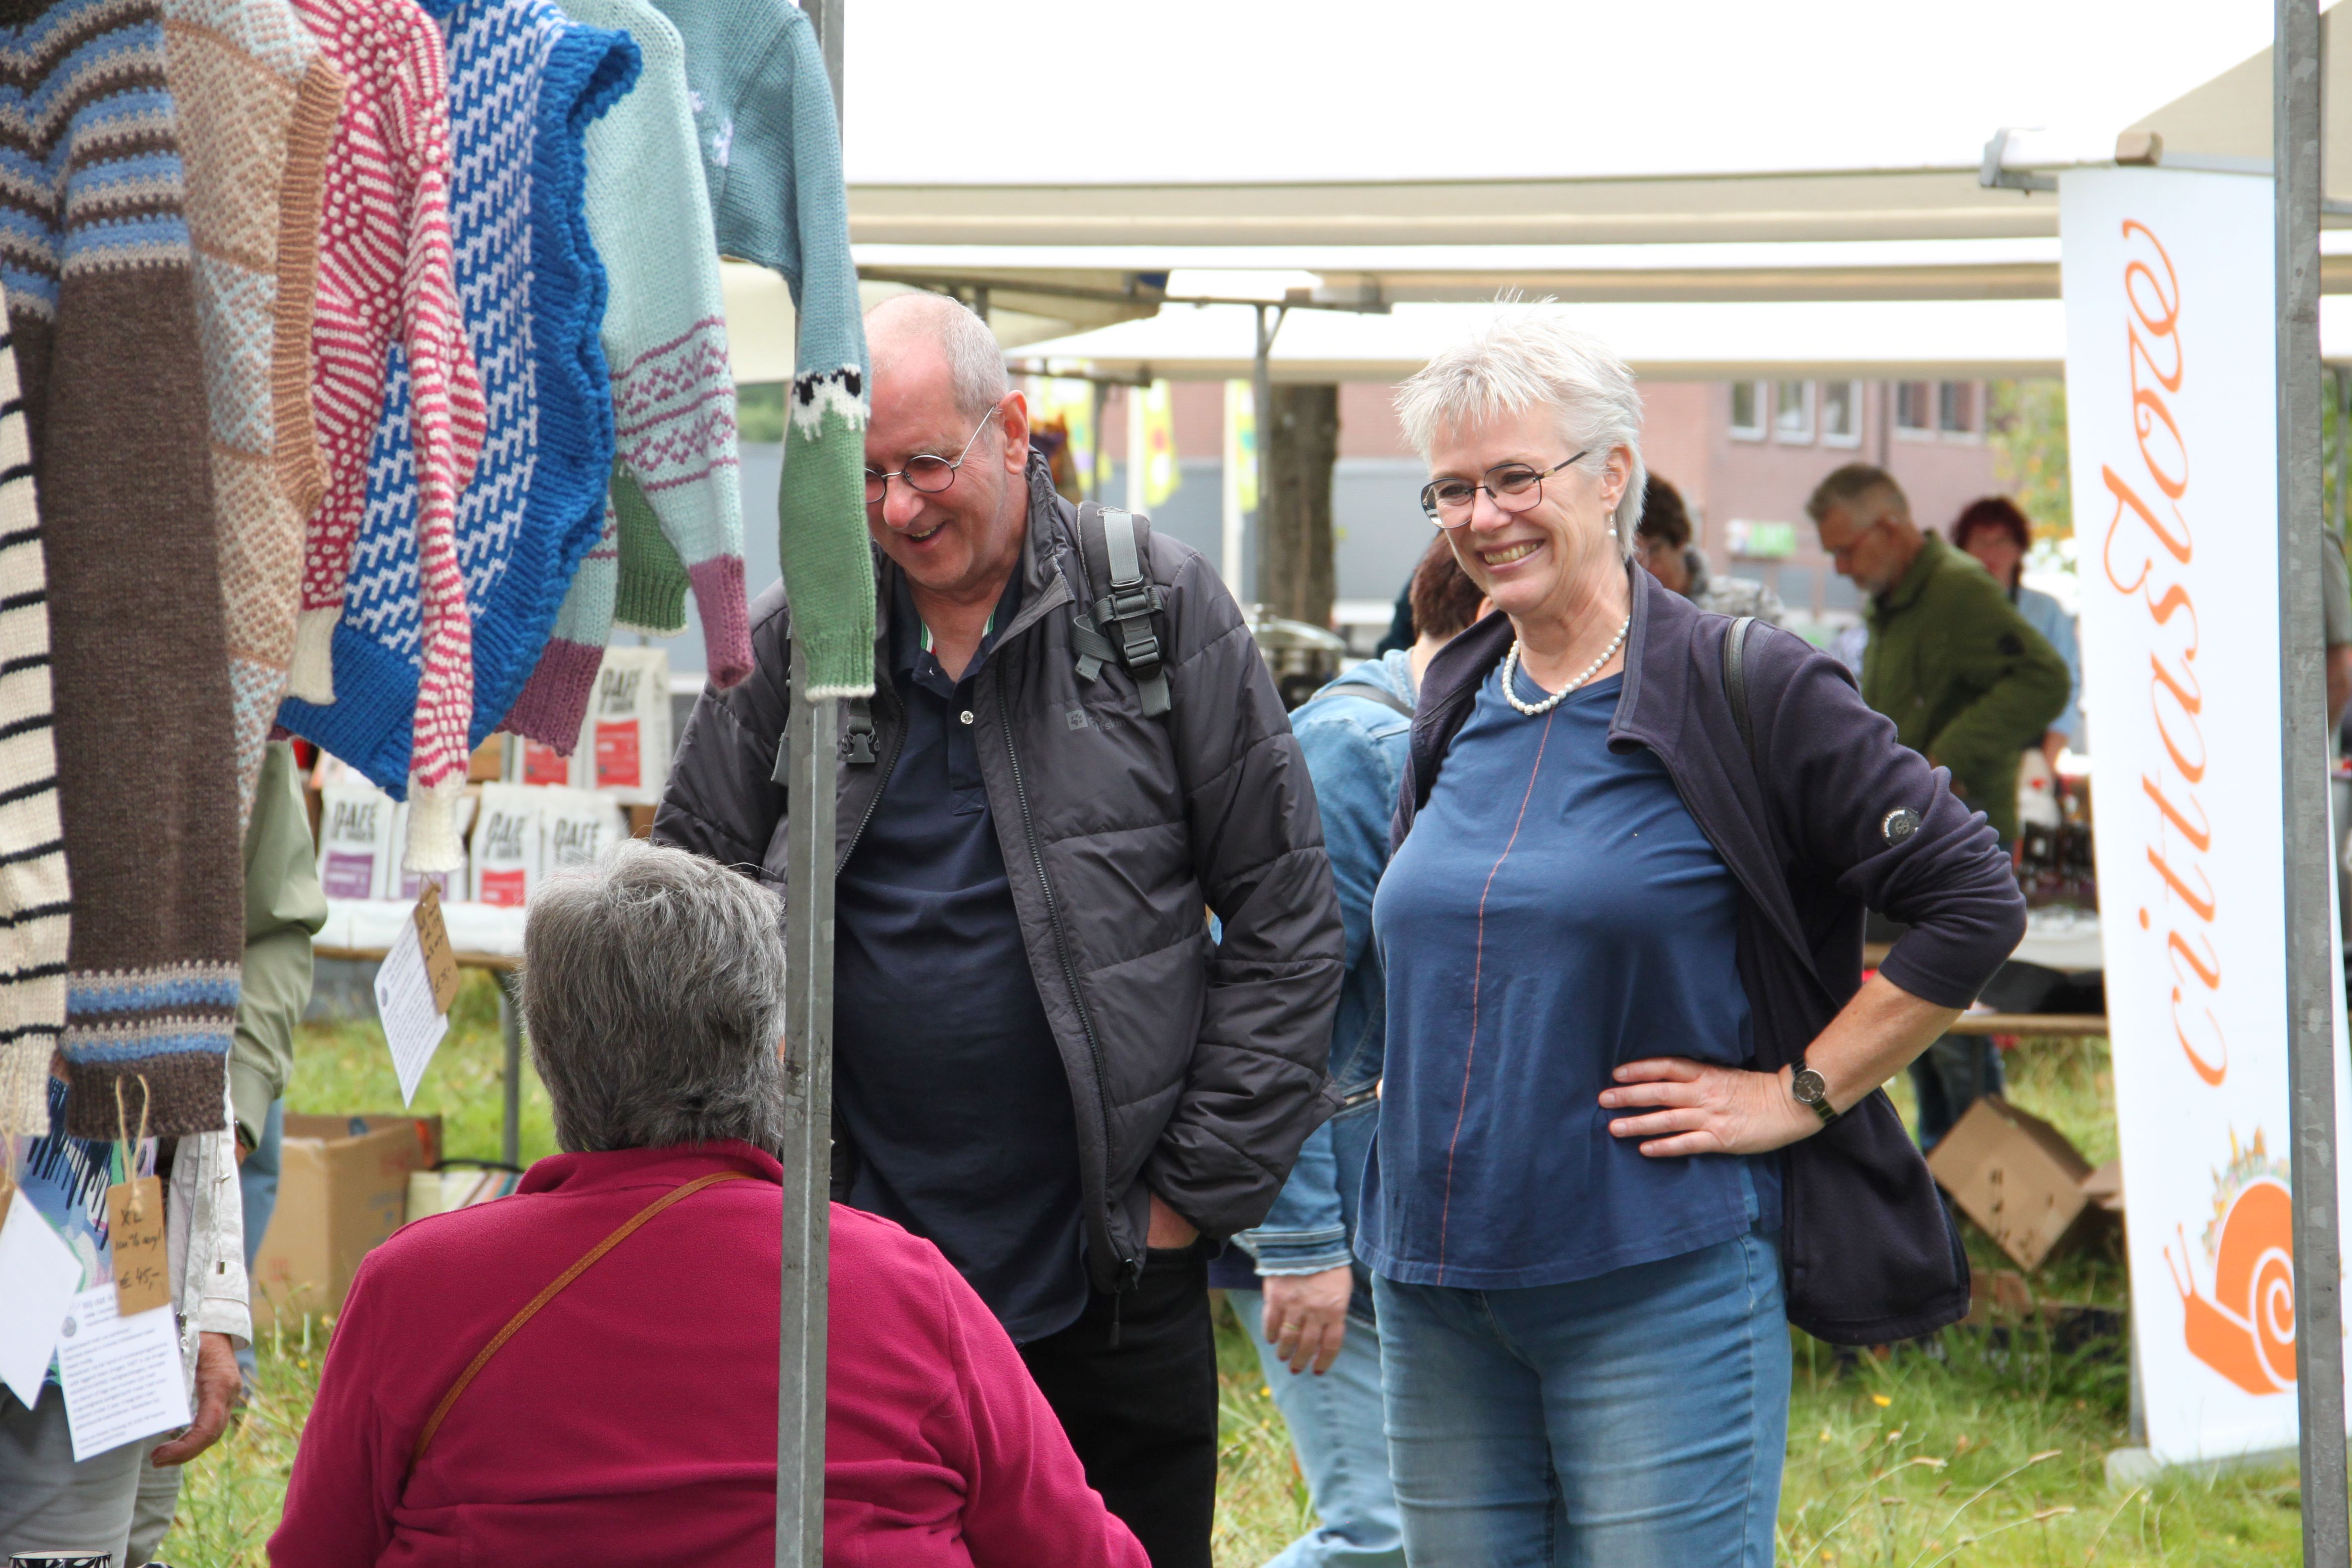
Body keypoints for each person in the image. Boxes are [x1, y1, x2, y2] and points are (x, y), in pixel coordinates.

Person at [655, 292, 1344, 1568]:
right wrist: (753, 1179)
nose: (897, 507)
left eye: (926, 465)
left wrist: (1183, 1200)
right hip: (855, 1276)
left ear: (1013, 429)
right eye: (866, 477)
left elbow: (1287, 918)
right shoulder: (809, 637)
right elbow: (681, 918)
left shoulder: (1158, 610)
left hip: (1108, 1283)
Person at [1364, 310, 2024, 1566]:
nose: (1483, 516)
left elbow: (1971, 898)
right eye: (1453, 488)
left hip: (1652, 1280)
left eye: (1516, 477)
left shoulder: (1748, 683)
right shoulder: (1455, 690)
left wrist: (1794, 1093)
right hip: (1436, 1289)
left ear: (1612, 472)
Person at [271, 841, 1148, 1568]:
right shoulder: (903, 1284)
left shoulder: (417, 1284)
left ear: (551, 1059)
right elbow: (1081, 1552)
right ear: (772, 1049)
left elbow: (316, 1551)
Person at [1211, 536, 1486, 1568]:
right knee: (1381, 1537)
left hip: (1402, 1220)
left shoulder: (1456, 739)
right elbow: (1267, 1010)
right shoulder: (1358, 750)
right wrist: (1298, 1244)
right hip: (1324, 1220)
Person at [1809, 466, 2066, 1146]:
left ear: (1889, 528)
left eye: (1847, 550)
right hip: (1912, 833)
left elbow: (2045, 680)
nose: (1841, 567)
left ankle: (1984, 1170)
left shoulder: (1956, 590)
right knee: (1917, 1016)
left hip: (1956, 832)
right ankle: (1950, 1170)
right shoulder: (1895, 600)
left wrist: (1948, 758)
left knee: (1949, 1020)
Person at [1950, 497, 2079, 762]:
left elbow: (2069, 685)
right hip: (1961, 747)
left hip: (2031, 750)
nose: (1991, 552)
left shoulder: (2046, 610)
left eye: (2002, 541)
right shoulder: (1948, 610)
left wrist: (2046, 761)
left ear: (2020, 548)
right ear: (1963, 549)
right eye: (1981, 541)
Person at [1633, 473, 1785, 625]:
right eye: (1628, 559)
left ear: (1680, 538)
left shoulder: (1751, 604)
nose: (1641, 569)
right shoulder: (1630, 619)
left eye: (1650, 552)